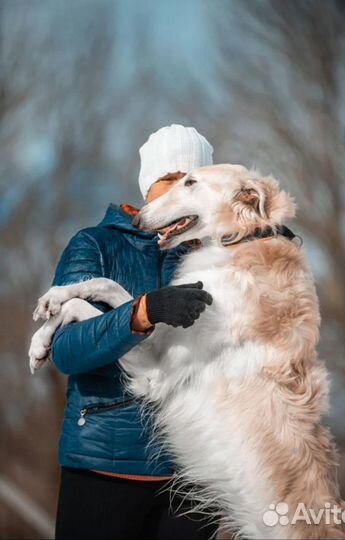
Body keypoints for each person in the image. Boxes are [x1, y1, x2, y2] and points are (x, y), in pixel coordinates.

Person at [51, 124, 217, 539]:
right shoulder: (95, 245)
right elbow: (67, 351)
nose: (180, 192)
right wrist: (141, 313)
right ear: (148, 184)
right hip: (104, 467)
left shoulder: (219, 256)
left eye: (191, 182)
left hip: (194, 474)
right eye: (169, 180)